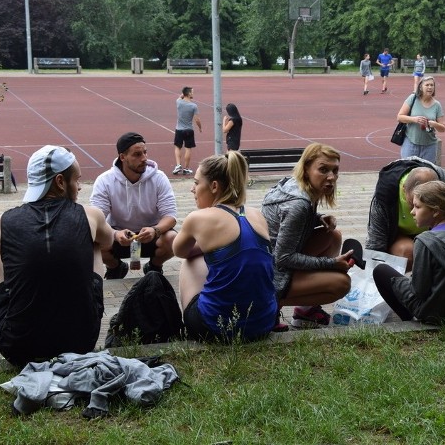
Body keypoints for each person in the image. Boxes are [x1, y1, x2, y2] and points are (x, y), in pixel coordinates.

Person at [0, 145, 113, 366]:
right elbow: (108, 241)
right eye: (77, 180)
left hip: (18, 347)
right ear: (60, 182)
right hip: (81, 341)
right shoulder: (91, 215)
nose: (80, 187)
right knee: (93, 243)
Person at [173, 152, 277, 342]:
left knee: (191, 261)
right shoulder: (256, 215)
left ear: (214, 186)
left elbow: (179, 250)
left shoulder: (198, 218)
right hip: (264, 324)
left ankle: (191, 326)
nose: (192, 189)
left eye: (196, 183)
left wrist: (204, 246)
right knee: (225, 257)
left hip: (216, 329)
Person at [261, 143, 354, 328]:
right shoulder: (299, 204)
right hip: (269, 276)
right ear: (306, 168)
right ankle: (268, 306)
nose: (331, 177)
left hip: (266, 262)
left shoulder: (294, 184)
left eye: (335, 171)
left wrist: (316, 218)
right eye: (323, 170)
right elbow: (283, 258)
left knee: (332, 236)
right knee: (342, 283)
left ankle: (306, 311)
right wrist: (332, 264)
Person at [373, 181, 445, 324]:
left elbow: (419, 290)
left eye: (417, 206)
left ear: (435, 211)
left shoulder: (425, 241)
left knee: (381, 271)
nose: (412, 211)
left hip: (434, 315)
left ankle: (409, 319)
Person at [365, 157, 445, 277]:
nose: (412, 212)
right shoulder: (385, 194)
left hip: (437, 236)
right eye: (412, 204)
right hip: (402, 239)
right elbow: (375, 249)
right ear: (404, 190)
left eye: (419, 206)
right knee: (408, 252)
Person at [90, 132, 178, 279]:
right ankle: (115, 267)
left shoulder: (159, 178)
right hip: (118, 235)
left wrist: (154, 230)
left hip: (151, 235)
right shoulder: (104, 181)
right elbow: (96, 219)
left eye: (145, 152)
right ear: (122, 157)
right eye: (137, 154)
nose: (144, 158)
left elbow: (170, 216)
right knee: (92, 240)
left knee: (174, 239)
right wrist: (114, 234)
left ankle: (155, 266)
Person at [397, 75, 445, 163]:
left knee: (426, 172)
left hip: (429, 145)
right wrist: (414, 119)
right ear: (421, 87)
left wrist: (434, 124)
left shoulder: (437, 105)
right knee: (408, 170)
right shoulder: (413, 99)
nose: (430, 87)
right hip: (411, 142)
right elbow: (399, 117)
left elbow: (443, 128)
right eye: (427, 85)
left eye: (432, 85)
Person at [172, 86, 203, 176]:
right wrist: (200, 127)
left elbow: (180, 97)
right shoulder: (193, 106)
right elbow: (197, 119)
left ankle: (178, 165)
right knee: (188, 148)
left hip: (179, 129)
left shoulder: (178, 102)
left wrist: (183, 94)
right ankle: (186, 168)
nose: (193, 94)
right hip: (189, 130)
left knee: (178, 147)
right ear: (189, 94)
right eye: (192, 92)